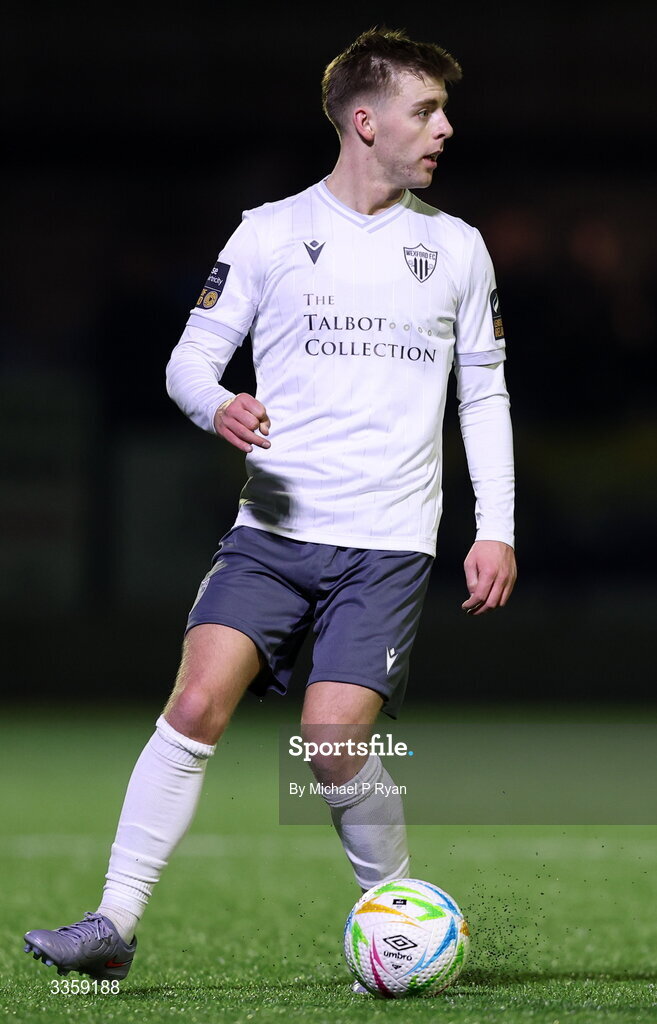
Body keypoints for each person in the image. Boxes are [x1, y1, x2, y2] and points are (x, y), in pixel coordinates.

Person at [23, 27, 516, 987]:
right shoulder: (268, 232)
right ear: (364, 121)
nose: (444, 128)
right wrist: (220, 404)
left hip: (384, 548)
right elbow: (187, 364)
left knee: (332, 745)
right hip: (270, 537)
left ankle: (399, 915)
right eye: (426, 111)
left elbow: (483, 396)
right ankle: (113, 923)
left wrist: (493, 525)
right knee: (195, 701)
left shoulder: (455, 248)